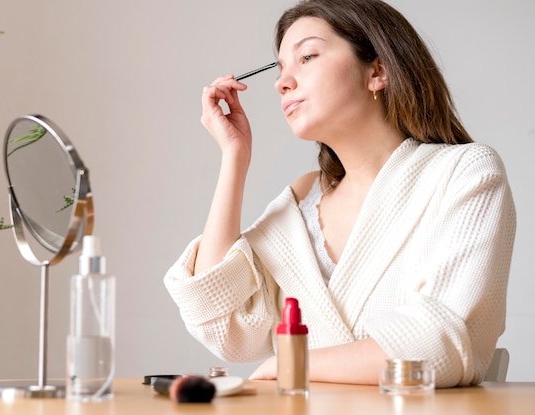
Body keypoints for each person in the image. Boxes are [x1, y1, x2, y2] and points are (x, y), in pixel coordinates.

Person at [164, 0, 516, 388]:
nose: (282, 82)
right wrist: (235, 157)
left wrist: (292, 365)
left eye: (308, 57)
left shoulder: (465, 173)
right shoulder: (302, 200)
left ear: (377, 71)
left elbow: (442, 344)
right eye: (281, 69)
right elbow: (225, 324)